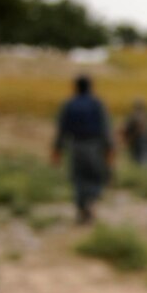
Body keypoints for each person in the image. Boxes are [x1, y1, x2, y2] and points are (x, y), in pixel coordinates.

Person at [51, 74, 113, 224]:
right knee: (95, 175)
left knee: (78, 177)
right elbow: (105, 128)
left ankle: (81, 206)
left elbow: (62, 129)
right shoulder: (97, 104)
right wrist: (109, 148)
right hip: (94, 145)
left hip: (76, 145)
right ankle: (90, 202)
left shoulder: (69, 105)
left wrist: (57, 149)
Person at [121, 97, 147, 166]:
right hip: (143, 138)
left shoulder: (133, 115)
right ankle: (142, 168)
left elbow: (128, 127)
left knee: (137, 155)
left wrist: (128, 137)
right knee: (143, 155)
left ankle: (139, 167)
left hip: (137, 138)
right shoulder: (145, 115)